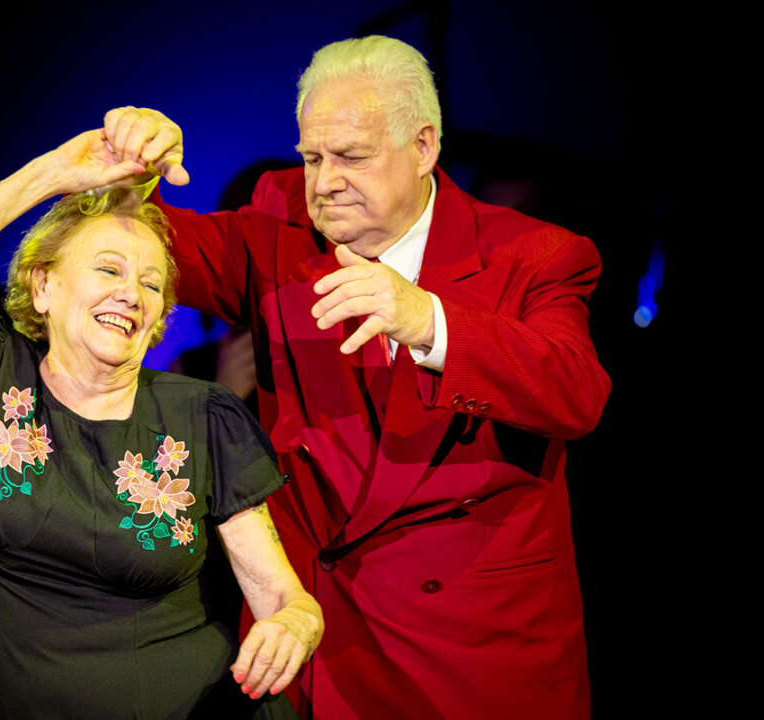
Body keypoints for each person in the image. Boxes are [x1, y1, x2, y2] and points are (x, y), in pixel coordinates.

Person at [100, 35, 611, 720]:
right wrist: (130, 179)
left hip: (471, 658)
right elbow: (161, 249)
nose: (324, 180)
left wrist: (428, 320)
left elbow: (577, 392)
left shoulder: (534, 254)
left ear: (425, 147)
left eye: (351, 157)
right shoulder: (281, 216)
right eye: (312, 156)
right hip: (315, 639)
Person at [0, 128, 323, 719]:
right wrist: (52, 175)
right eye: (108, 270)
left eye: (150, 283)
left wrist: (295, 623)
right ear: (44, 285)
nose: (131, 294)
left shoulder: (201, 415)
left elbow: (282, 596)